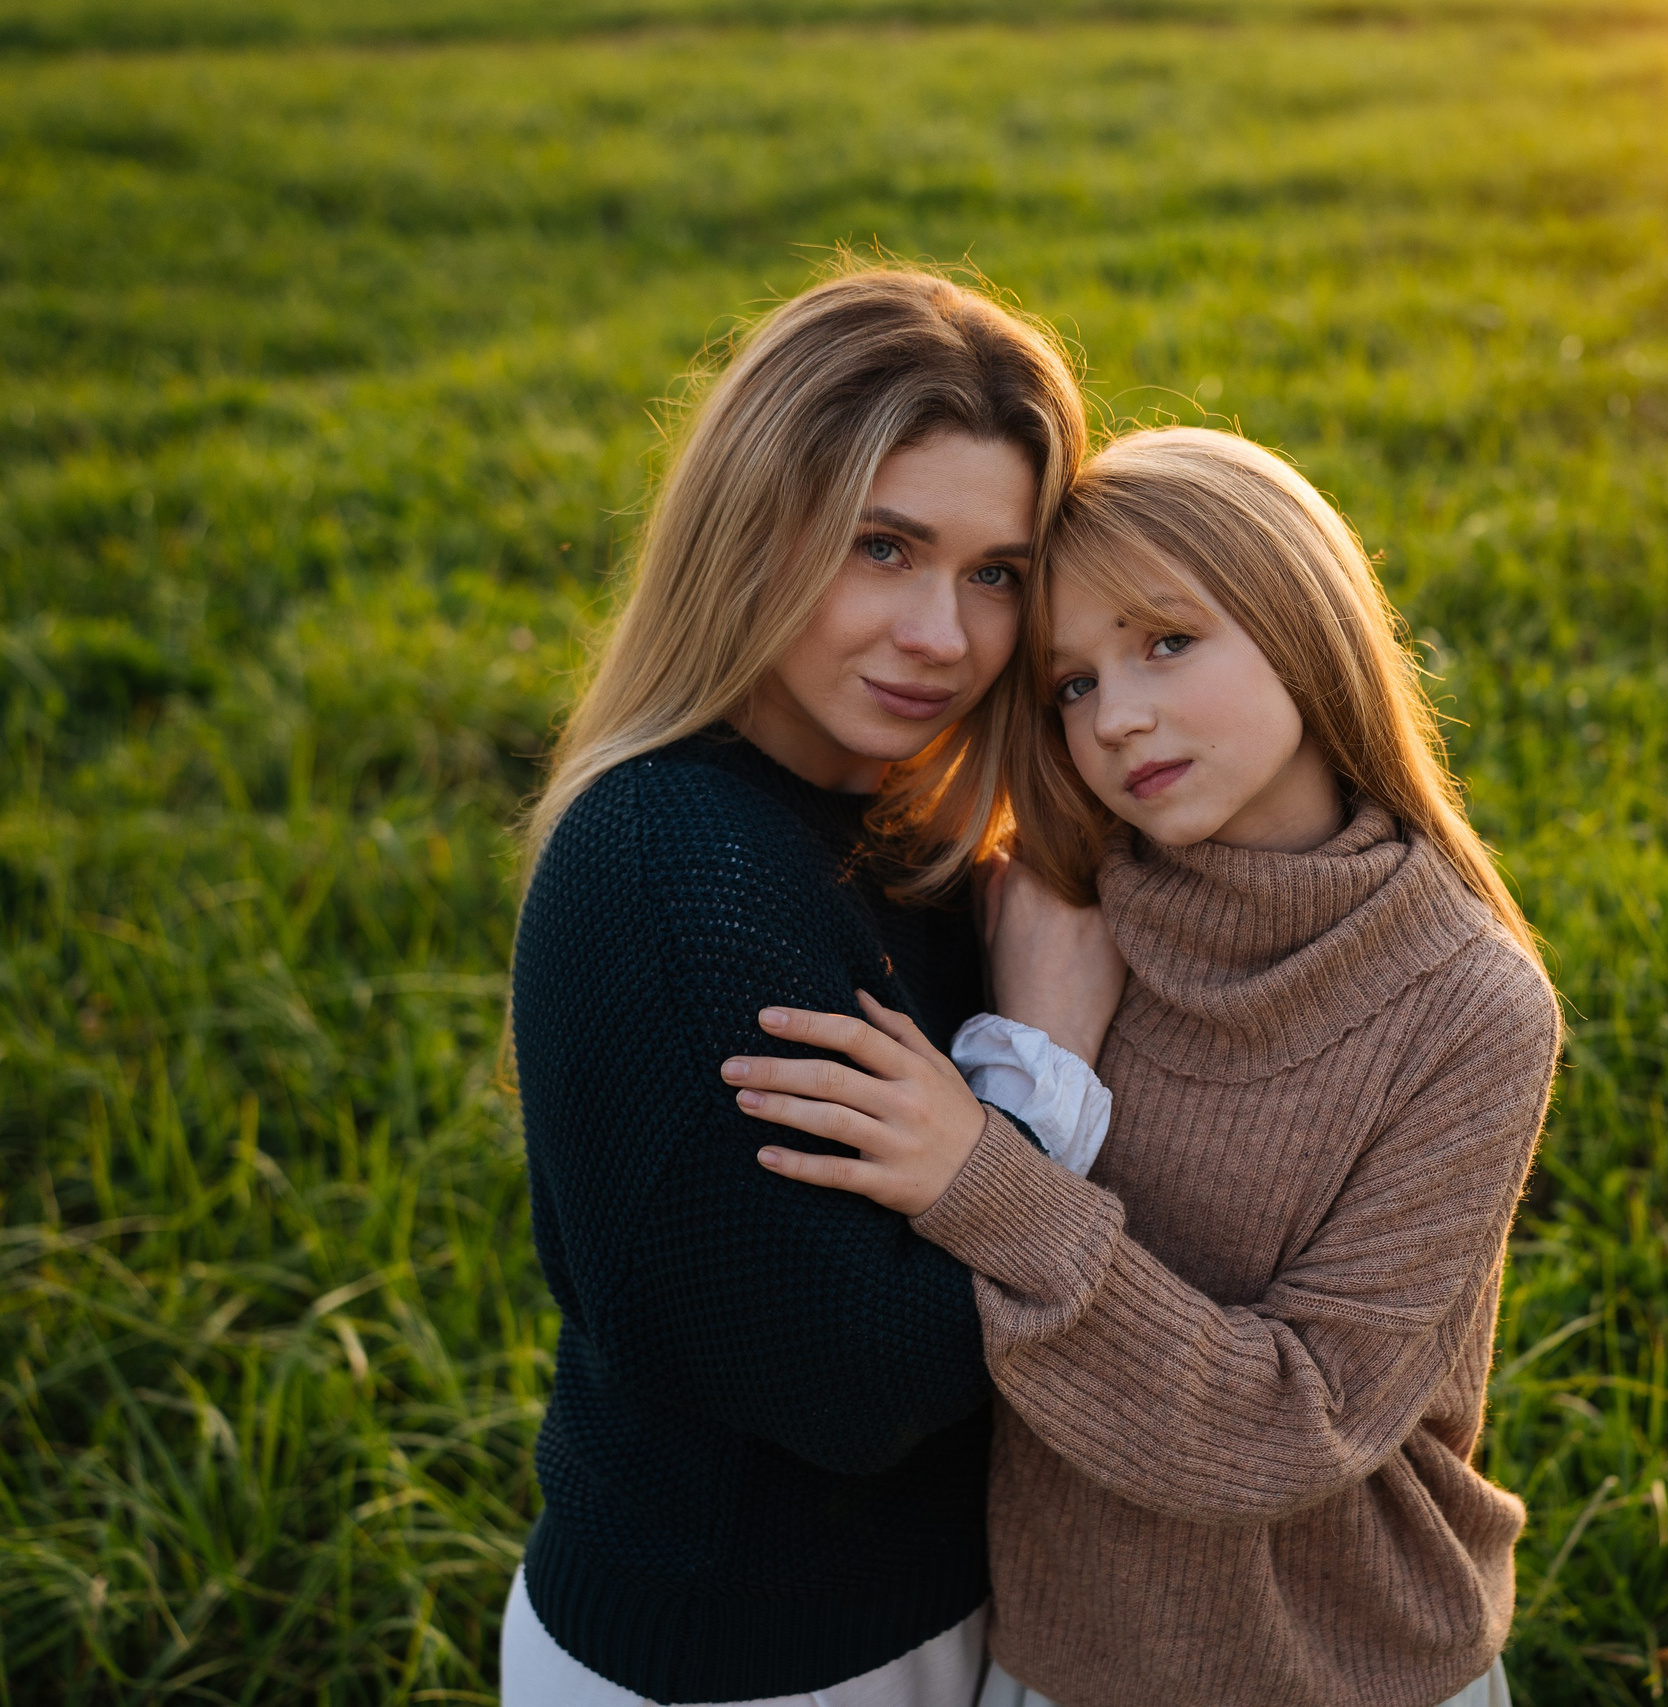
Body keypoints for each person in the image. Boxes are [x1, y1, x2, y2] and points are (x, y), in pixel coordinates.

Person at [735, 427, 1564, 1707]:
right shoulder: (1049, 917)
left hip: (1348, 1670)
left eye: (1166, 641)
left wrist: (983, 1174)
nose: (1116, 718)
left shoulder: (1468, 1009)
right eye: (1069, 684)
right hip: (1053, 1659)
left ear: (1302, 620)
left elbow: (1297, 1426)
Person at [504, 262, 1122, 1706]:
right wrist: (1034, 1070)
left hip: (942, 1618)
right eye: (881, 546)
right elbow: (852, 1382)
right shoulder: (674, 862)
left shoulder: (902, 830)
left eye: (998, 573)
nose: (944, 637)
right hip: (736, 1661)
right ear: (751, 529)